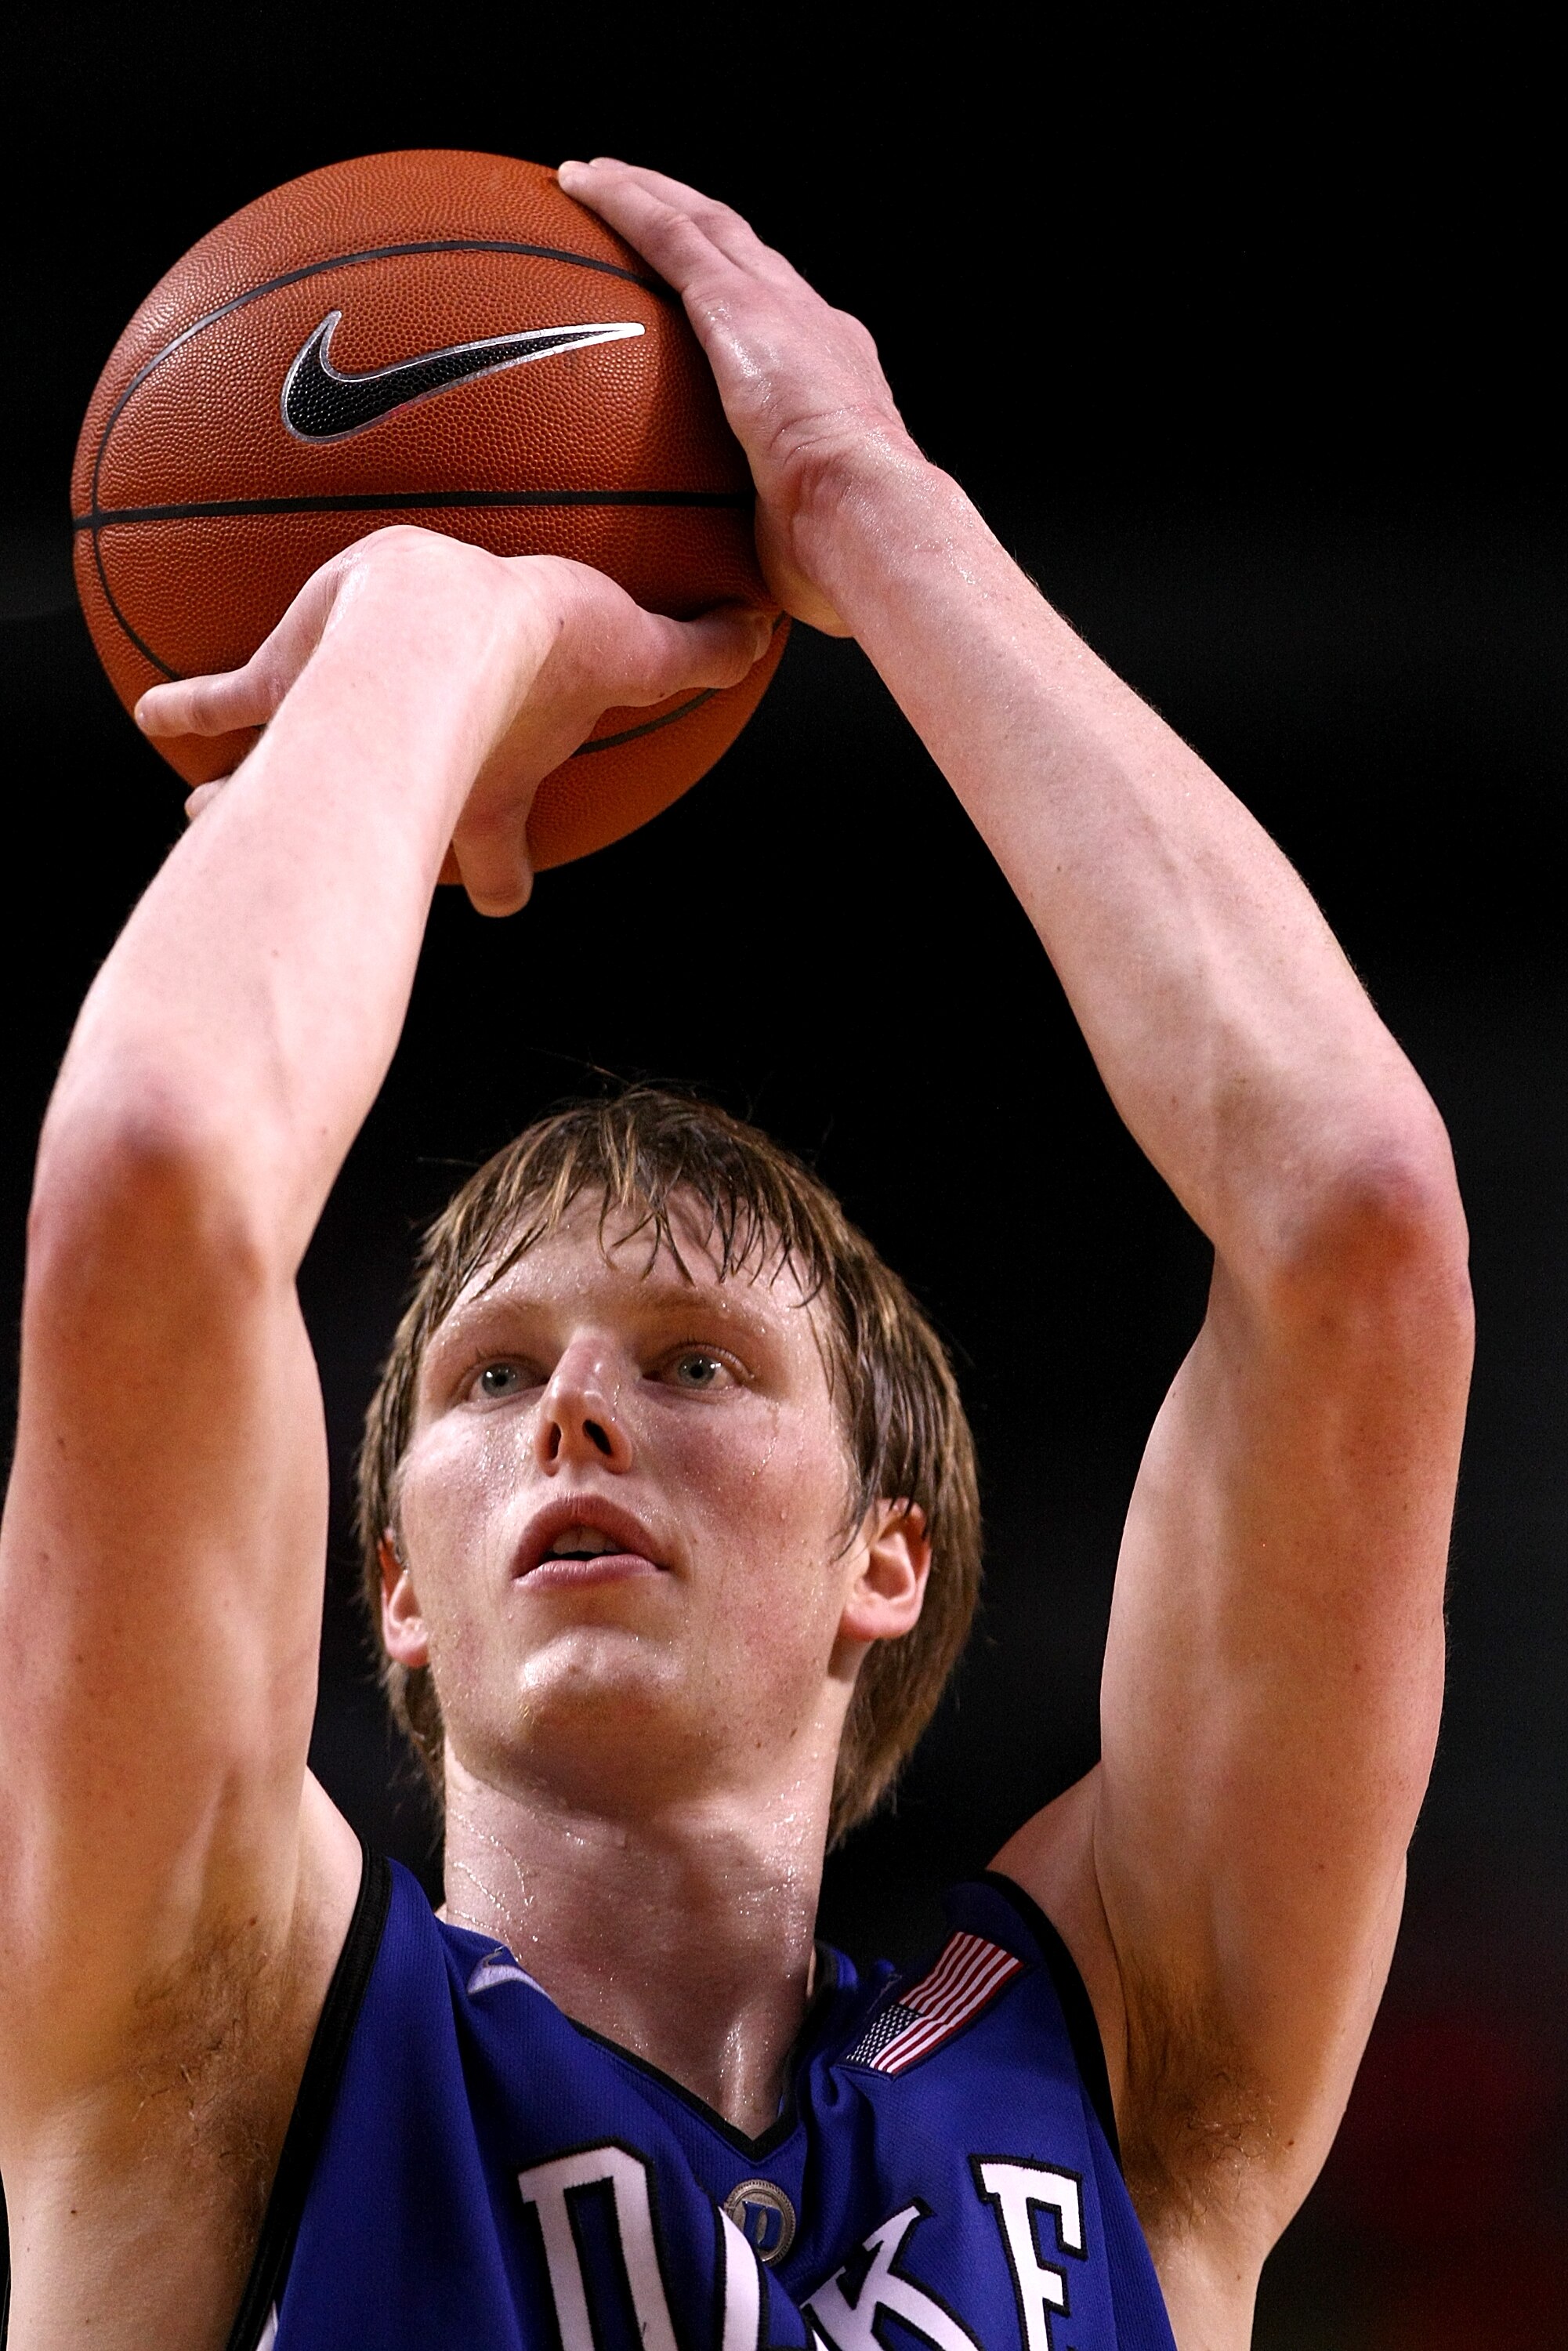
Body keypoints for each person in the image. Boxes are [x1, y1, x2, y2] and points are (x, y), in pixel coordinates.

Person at [0, 159, 1472, 2351]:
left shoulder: (1122, 2078)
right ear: (391, 1579)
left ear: (885, 1557)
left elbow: (1351, 1215)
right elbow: (150, 1185)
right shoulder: (215, 2034)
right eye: (493, 1381)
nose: (576, 1402)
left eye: (695, 1364)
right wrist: (428, 619)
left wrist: (880, 521)